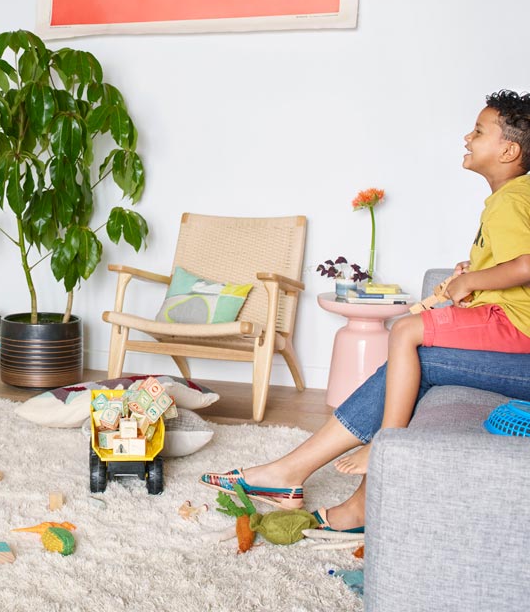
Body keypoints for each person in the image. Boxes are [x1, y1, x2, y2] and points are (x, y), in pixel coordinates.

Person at [200, 89, 530, 532]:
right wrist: (474, 270)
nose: (466, 137)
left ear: (509, 150)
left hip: (518, 343)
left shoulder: (512, 199)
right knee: (410, 358)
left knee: (408, 337)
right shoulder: (511, 198)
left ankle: (369, 451)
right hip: (510, 335)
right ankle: (333, 493)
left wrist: (473, 280)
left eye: (478, 131)